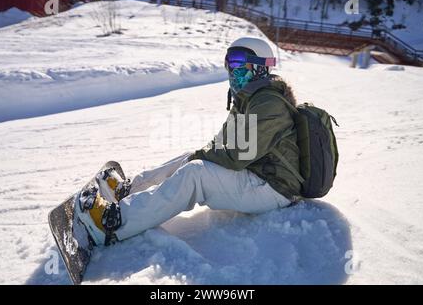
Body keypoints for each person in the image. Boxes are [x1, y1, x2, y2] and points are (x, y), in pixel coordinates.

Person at [77, 37, 301, 246]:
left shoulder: (268, 103)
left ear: (260, 65)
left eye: (239, 61)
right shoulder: (250, 98)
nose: (232, 68)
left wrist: (201, 158)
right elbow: (222, 142)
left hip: (274, 189)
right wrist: (199, 154)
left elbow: (239, 155)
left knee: (195, 173)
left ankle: (111, 223)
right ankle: (129, 191)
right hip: (258, 174)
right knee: (190, 157)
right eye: (229, 62)